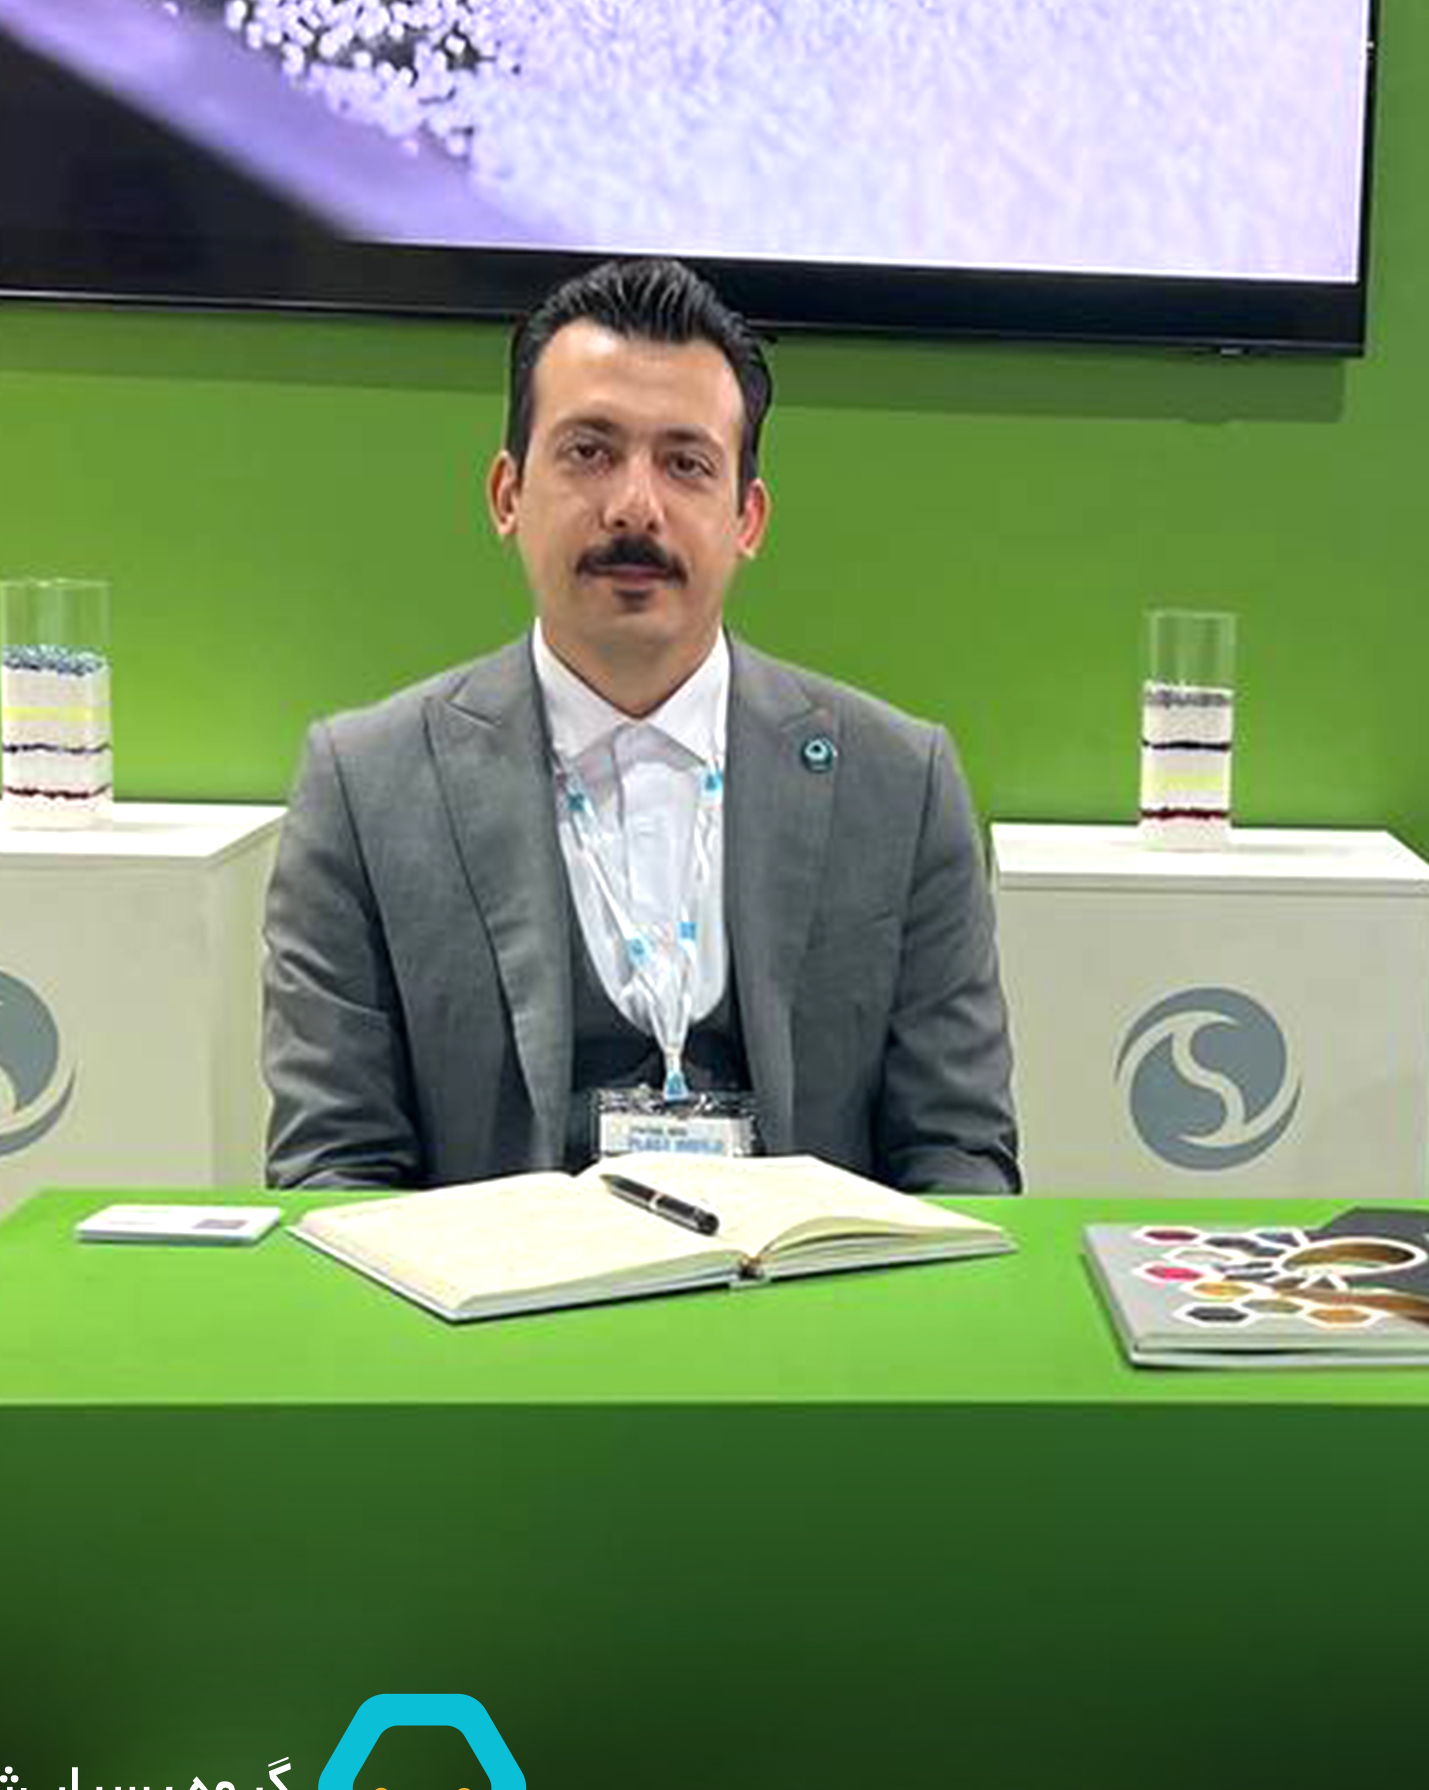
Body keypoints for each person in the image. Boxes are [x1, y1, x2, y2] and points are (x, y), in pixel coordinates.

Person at [263, 257, 1019, 1193]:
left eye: (686, 463)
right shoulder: (364, 786)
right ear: (507, 495)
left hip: (807, 1287)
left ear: (747, 518)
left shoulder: (899, 783)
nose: (634, 506)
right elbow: (333, 1168)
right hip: (497, 1290)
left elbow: (960, 1157)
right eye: (589, 452)